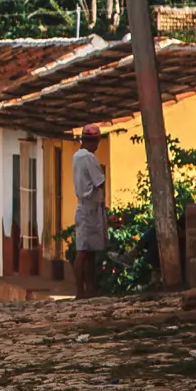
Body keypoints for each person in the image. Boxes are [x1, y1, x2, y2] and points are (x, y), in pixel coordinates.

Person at [72, 125, 108, 299]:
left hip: (84, 206)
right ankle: (82, 291)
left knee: (89, 250)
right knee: (84, 251)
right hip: (90, 208)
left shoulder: (76, 156)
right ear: (94, 141)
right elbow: (100, 182)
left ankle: (88, 289)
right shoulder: (89, 158)